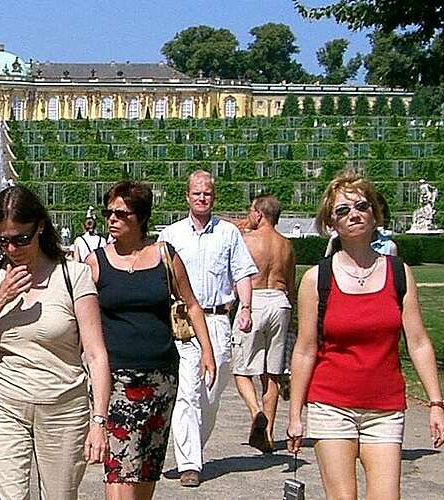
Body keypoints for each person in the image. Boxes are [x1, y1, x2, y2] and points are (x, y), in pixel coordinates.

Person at [285, 171, 444, 500]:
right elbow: (305, 350)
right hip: (331, 404)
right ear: (331, 224)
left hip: (385, 408)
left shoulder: (399, 273)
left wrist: (435, 403)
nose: (354, 214)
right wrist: (294, 415)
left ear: (374, 213)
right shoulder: (317, 279)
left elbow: (417, 342)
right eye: (342, 211)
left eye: (361, 206)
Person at [0, 186, 112, 500]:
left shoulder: (73, 276)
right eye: (2, 240)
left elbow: (96, 355)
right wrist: (0, 299)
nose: (11, 249)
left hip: (64, 406)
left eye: (20, 239)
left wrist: (99, 420)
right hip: (5, 403)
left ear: (40, 226)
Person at [88, 181, 212, 500]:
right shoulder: (96, 262)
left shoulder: (165, 256)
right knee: (119, 468)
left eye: (121, 213)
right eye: (108, 212)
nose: (111, 218)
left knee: (145, 467)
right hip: (115, 380)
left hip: (161, 377)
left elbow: (193, 305)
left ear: (140, 217)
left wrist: (207, 353)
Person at [157, 170, 255, 487]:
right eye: (197, 193)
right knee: (187, 392)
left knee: (210, 394)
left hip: (216, 320)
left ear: (214, 197)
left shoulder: (228, 233)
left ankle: (194, 448)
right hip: (184, 323)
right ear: (187, 197)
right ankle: (190, 464)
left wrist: (247, 308)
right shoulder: (170, 235)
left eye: (208, 193)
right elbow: (159, 277)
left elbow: (242, 273)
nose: (202, 198)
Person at [233, 194, 296, 452]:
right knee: (272, 372)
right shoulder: (287, 245)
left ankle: (256, 410)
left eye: (251, 211)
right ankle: (267, 434)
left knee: (241, 369)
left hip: (255, 300)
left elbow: (237, 277)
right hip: (280, 302)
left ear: (259, 213)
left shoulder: (247, 241)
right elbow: (291, 284)